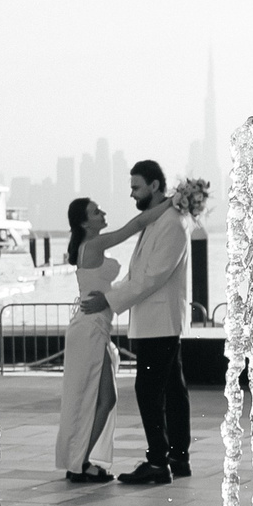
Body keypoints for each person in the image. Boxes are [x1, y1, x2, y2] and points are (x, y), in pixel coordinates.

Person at [79, 160, 189, 484]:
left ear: (155, 186)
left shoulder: (171, 224)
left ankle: (158, 462)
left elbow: (151, 278)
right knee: (172, 390)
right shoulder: (160, 221)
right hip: (156, 321)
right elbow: (138, 274)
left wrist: (109, 301)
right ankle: (177, 458)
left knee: (149, 390)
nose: (131, 194)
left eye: (136, 187)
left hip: (161, 322)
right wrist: (113, 294)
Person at [53, 194, 166, 482]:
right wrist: (172, 201)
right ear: (84, 223)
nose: (102, 213)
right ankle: (80, 463)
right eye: (95, 212)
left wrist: (110, 296)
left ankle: (81, 462)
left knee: (98, 398)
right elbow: (135, 225)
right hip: (90, 329)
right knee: (101, 398)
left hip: (93, 327)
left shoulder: (88, 246)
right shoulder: (93, 244)